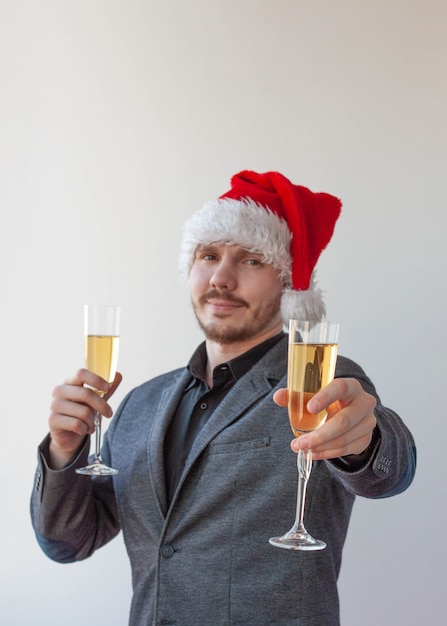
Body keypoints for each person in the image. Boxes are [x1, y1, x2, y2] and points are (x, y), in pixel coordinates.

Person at [31, 170, 416, 626]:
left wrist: (367, 443)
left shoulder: (318, 380)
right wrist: (62, 449)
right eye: (208, 255)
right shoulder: (139, 403)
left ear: (288, 281)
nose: (221, 278)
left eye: (251, 259)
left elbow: (389, 472)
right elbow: (68, 542)